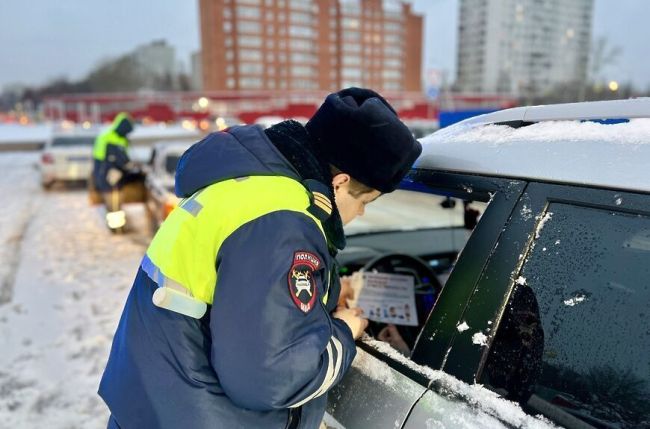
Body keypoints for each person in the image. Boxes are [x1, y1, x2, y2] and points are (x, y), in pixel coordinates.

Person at [99, 87, 422, 429]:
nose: (360, 214)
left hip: (157, 407)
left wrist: (317, 299)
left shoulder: (246, 185)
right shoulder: (283, 222)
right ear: (340, 184)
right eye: (364, 202)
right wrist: (344, 330)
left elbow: (232, 298)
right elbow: (270, 380)